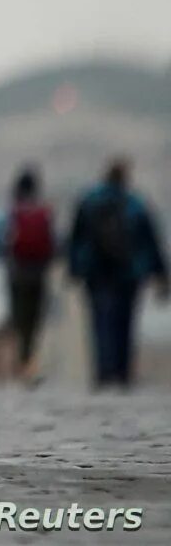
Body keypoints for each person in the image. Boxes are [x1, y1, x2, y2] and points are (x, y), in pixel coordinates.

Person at [65, 159, 168, 390]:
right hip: (129, 272)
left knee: (99, 320)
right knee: (125, 322)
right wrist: (161, 274)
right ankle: (122, 372)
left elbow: (76, 237)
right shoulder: (135, 203)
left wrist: (74, 268)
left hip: (95, 271)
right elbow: (150, 240)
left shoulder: (89, 201)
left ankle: (103, 370)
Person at [0, 167, 59, 383]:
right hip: (38, 273)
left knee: (18, 318)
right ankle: (28, 363)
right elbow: (56, 243)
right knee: (33, 321)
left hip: (15, 272)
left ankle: (20, 362)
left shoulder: (8, 213)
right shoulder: (43, 212)